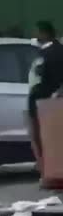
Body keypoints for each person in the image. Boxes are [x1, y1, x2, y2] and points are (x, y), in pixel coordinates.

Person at [28, 21, 63, 172]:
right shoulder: (44, 51)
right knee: (44, 139)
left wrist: (55, 95)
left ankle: (53, 172)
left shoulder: (56, 53)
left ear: (45, 34)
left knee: (49, 140)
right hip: (42, 103)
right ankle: (48, 171)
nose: (34, 35)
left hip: (48, 104)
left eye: (37, 32)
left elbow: (55, 79)